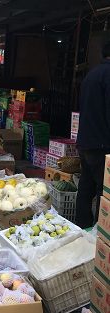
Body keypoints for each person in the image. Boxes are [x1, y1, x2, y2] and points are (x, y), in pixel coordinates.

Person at [76, 41, 110, 228]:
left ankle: (82, 227)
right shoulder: (108, 75)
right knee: (103, 190)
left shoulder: (92, 75)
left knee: (86, 187)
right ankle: (99, 234)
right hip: (102, 144)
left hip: (86, 142)